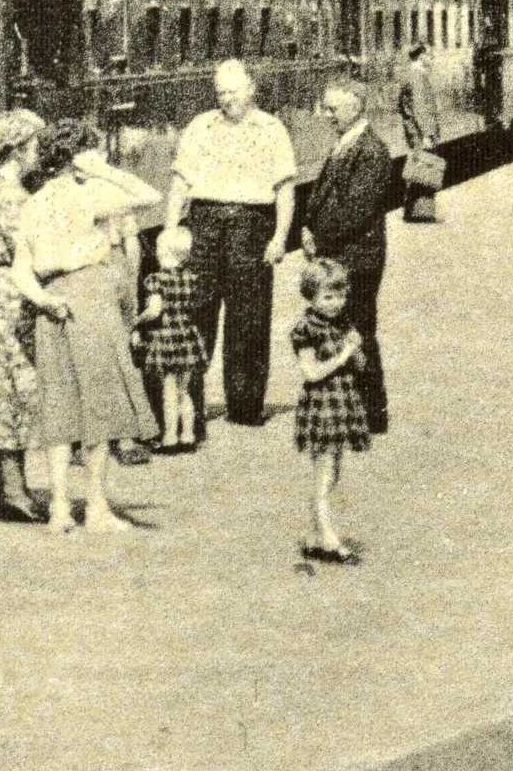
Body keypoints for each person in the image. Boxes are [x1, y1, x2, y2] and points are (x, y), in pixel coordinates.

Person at [13, 120, 163, 531]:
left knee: (59, 406)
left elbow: (21, 271)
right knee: (99, 406)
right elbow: (151, 195)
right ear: (77, 158)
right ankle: (96, 508)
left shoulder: (33, 202)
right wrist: (101, 170)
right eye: (91, 152)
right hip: (92, 303)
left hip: (53, 306)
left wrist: (45, 299)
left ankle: (60, 509)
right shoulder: (91, 195)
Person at [167, 59, 301, 430]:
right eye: (221, 92)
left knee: (250, 318)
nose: (226, 99)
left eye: (233, 91)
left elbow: (284, 190)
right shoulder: (199, 126)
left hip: (251, 224)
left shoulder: (272, 129)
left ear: (251, 90)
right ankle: (189, 407)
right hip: (205, 223)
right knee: (196, 314)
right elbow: (179, 183)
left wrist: (279, 237)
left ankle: (245, 405)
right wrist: (170, 230)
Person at [293, 76, 404, 435]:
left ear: (355, 107)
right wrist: (307, 227)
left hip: (359, 258)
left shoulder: (371, 151)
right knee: (346, 330)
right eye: (326, 107)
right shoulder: (345, 143)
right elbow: (325, 196)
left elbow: (357, 209)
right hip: (341, 254)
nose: (326, 114)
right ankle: (355, 409)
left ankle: (374, 413)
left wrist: (319, 238)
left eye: (332, 108)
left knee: (360, 330)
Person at [0, 111, 54, 522]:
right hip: (4, 294)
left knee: (10, 388)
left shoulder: (1, 186)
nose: (39, 153)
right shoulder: (9, 195)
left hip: (0, 291)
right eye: (35, 145)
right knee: (8, 389)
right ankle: (12, 490)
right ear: (20, 150)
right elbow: (26, 248)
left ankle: (10, 486)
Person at [289, 260, 371, 565]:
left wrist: (358, 350)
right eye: (328, 297)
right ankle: (329, 539)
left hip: (342, 402)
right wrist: (344, 354)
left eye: (340, 296)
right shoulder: (304, 328)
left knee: (333, 473)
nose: (336, 303)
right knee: (324, 475)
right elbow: (311, 373)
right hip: (322, 404)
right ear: (310, 297)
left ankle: (315, 536)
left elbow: (361, 365)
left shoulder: (342, 323)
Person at [134, 224, 211, 452]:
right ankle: (188, 436)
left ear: (163, 252)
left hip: (166, 338)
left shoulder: (156, 280)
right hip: (187, 336)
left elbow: (155, 310)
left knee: (168, 390)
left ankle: (169, 437)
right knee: (184, 391)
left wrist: (137, 320)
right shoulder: (190, 278)